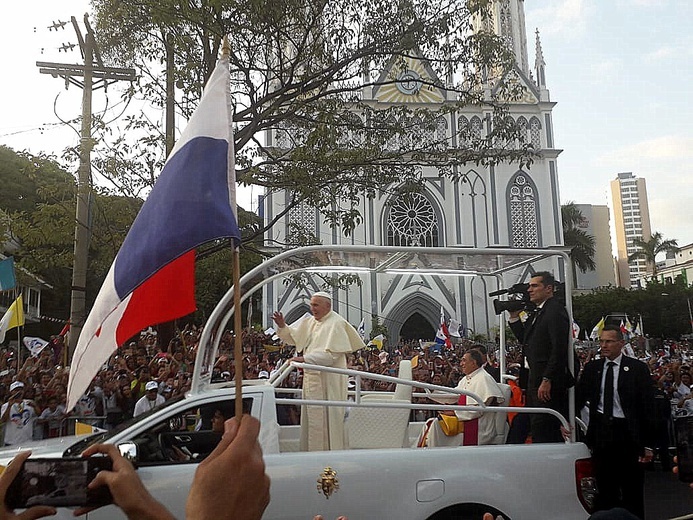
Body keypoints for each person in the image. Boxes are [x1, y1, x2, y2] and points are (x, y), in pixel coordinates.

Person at [575, 325, 656, 519]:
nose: (604, 345)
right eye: (601, 341)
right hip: (602, 433)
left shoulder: (637, 369)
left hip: (627, 435)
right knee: (604, 489)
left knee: (632, 489)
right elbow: (579, 398)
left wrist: (648, 444)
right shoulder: (593, 369)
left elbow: (648, 407)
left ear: (621, 343)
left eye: (609, 341)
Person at [273, 292, 364, 451]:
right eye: (311, 304)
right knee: (312, 420)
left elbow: (331, 355)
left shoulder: (337, 323)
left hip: (329, 380)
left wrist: (305, 359)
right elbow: (293, 338)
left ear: (327, 306)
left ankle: (330, 453)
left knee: (330, 420)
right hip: (312, 378)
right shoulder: (310, 322)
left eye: (316, 305)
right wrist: (282, 326)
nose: (312, 308)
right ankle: (312, 452)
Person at [508, 271, 573, 443]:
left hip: (545, 381)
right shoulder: (539, 311)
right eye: (529, 286)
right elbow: (527, 340)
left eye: (535, 285)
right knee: (533, 423)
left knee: (544, 426)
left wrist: (547, 378)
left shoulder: (554, 311)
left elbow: (559, 348)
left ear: (549, 289)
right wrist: (514, 317)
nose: (530, 290)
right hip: (534, 378)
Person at [420, 350, 505, 447]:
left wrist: (454, 413)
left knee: (436, 424)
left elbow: (478, 410)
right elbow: (454, 395)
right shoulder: (467, 378)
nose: (461, 364)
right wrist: (431, 392)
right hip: (466, 418)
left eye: (464, 361)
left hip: (480, 426)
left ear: (473, 363)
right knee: (430, 422)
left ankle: (437, 456)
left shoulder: (484, 378)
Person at [0, 381, 38, 446]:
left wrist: (35, 406)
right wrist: (9, 405)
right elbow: (3, 420)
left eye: (21, 389)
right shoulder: (5, 406)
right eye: (16, 390)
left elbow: (38, 414)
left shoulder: (29, 403)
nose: (19, 392)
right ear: (11, 392)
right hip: (11, 441)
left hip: (27, 440)